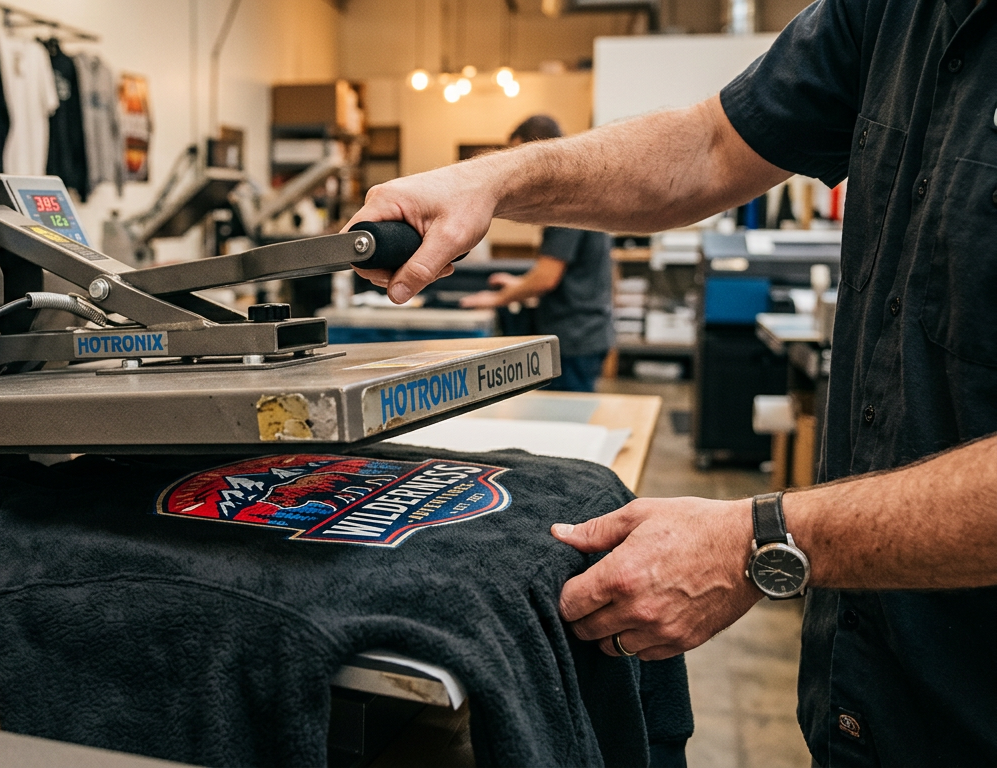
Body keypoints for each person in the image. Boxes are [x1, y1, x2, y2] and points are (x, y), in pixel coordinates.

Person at [345, 0, 997, 763]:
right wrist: (494, 179)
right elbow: (711, 145)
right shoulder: (893, 15)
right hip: (871, 686)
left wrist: (765, 540)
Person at [459, 115, 614, 392]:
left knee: (567, 424)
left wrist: (497, 298)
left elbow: (547, 278)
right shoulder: (577, 190)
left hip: (574, 338)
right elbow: (564, 273)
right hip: (583, 332)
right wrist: (519, 284)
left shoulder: (567, 202)